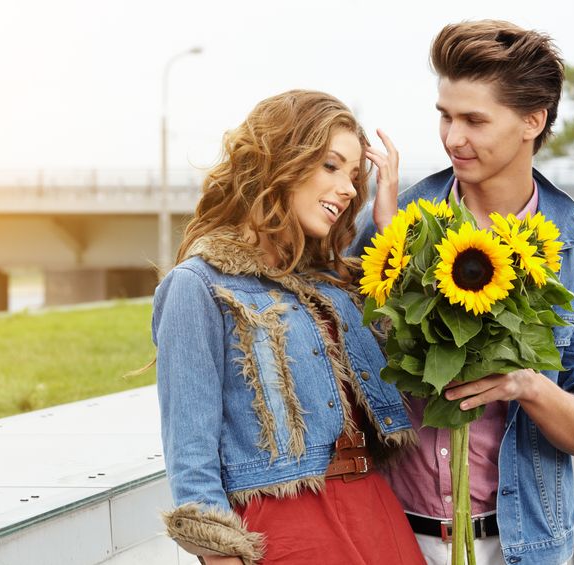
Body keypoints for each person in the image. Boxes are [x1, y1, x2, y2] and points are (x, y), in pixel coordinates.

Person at [350, 20, 574, 565]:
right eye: (445, 117)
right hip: (386, 537)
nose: (453, 138)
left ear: (532, 121)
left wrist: (528, 386)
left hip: (523, 547)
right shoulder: (391, 227)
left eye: (474, 119)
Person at [152, 89, 425, 564]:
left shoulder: (337, 287)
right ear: (282, 158)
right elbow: (190, 454)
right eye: (331, 166)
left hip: (377, 515)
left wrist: (389, 227)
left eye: (355, 177)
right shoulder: (198, 285)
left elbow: (417, 359)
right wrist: (219, 556)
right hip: (284, 527)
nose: (347, 189)